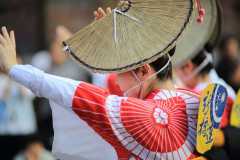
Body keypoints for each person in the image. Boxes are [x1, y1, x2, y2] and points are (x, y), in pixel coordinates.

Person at [0, 3, 204, 159]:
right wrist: (113, 42)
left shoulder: (144, 116)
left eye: (119, 70)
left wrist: (15, 69)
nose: (115, 78)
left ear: (143, 70)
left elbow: (74, 92)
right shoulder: (193, 99)